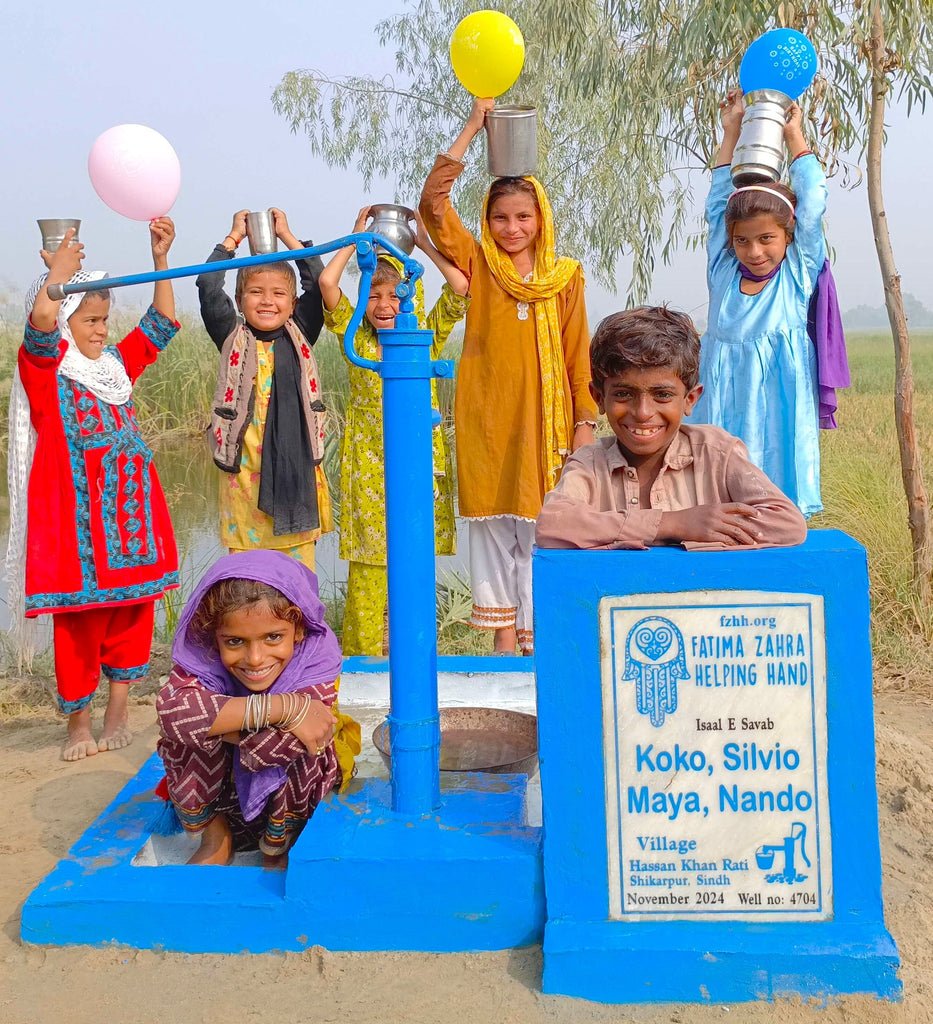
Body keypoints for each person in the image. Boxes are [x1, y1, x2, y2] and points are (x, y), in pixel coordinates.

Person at [420, 97, 597, 655]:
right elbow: (432, 203)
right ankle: (503, 644)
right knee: (494, 531)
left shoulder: (565, 277)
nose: (512, 227)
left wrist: (585, 423)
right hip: (489, 425)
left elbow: (578, 355)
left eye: (523, 217)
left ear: (541, 217)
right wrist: (474, 123)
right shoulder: (478, 265)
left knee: (547, 533)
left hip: (547, 431)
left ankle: (540, 641)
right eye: (500, 218)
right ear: (486, 223)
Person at [7, 222, 180, 760]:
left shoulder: (113, 371)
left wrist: (159, 258)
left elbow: (163, 323)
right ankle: (78, 723)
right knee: (79, 627)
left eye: (106, 320)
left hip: (132, 521)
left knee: (132, 613)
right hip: (78, 531)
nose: (103, 330)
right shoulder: (48, 372)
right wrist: (58, 273)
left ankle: (119, 709)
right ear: (66, 319)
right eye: (91, 320)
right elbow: (38, 323)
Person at [319, 206, 470, 655]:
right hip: (370, 471)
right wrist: (355, 239)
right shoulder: (356, 340)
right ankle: (364, 663)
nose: (383, 306)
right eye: (373, 295)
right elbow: (328, 284)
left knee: (414, 566)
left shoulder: (423, 334)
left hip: (416, 465)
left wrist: (422, 244)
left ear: (408, 298)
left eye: (393, 296)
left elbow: (460, 287)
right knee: (369, 573)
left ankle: (414, 655)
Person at [535, 306, 808, 550]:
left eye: (662, 395)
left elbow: (786, 523)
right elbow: (552, 525)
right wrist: (673, 524)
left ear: (690, 399)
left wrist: (706, 531)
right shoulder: (589, 464)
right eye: (623, 394)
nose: (643, 413)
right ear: (599, 399)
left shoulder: (717, 454)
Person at [156, 550, 360, 868]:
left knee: (307, 748)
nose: (254, 659)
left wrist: (222, 726)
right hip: (225, 800)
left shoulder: (316, 657)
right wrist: (283, 706)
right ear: (215, 638)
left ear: (299, 630)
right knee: (181, 738)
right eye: (235, 642)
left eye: (273, 637)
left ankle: (278, 846)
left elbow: (299, 737)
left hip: (288, 800)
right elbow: (173, 715)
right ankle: (216, 836)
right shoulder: (203, 659)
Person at [691, 88, 831, 517]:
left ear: (788, 237)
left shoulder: (796, 274)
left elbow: (813, 207)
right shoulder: (723, 273)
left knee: (775, 496)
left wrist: (795, 139)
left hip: (778, 403)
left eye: (766, 238)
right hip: (722, 398)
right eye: (743, 240)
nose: (754, 251)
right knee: (717, 496)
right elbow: (718, 206)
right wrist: (731, 132)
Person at [195, 208, 331, 570]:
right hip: (245, 475)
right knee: (249, 577)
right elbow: (209, 286)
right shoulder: (232, 336)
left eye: (277, 294)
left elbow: (319, 283)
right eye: (255, 292)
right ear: (240, 302)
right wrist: (233, 239)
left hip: (296, 472)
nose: (267, 301)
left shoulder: (300, 332)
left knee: (297, 577)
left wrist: (288, 237)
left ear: (292, 304)